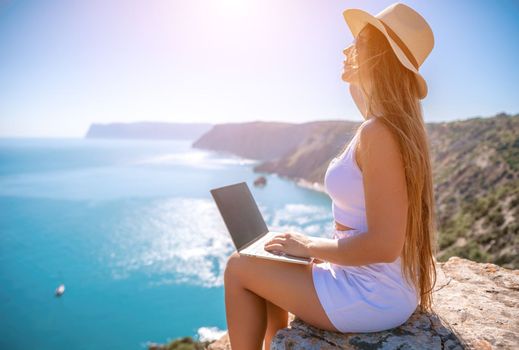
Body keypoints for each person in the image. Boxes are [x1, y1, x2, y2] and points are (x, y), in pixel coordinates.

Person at [223, 3, 438, 349]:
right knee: (271, 256)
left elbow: (384, 245)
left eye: (359, 42)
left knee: (238, 268)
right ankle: (276, 342)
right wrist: (310, 250)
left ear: (379, 57)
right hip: (376, 285)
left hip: (370, 295)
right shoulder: (383, 127)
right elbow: (371, 230)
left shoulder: (379, 134)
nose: (345, 49)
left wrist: (309, 245)